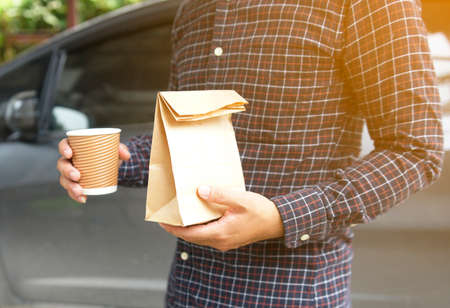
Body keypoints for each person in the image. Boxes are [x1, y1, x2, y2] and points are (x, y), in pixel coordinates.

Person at [57, 0, 444, 306]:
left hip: (289, 296)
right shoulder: (194, 10)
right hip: (188, 290)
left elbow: (416, 150)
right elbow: (191, 142)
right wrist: (113, 159)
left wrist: (281, 217)